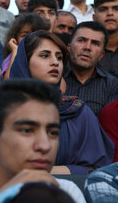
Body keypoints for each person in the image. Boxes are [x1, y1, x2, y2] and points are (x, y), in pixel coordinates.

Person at [9, 30, 114, 174]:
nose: (55, 62)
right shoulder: (4, 110)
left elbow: (97, 168)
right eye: (44, 55)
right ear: (24, 62)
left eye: (59, 58)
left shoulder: (77, 111)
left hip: (69, 193)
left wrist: (50, 171)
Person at [64, 21, 118, 115]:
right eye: (81, 40)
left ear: (102, 55)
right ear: (69, 48)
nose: (87, 47)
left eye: (95, 43)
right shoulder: (54, 78)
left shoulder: (112, 86)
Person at [2, 13, 50, 78]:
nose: (31, 38)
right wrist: (15, 51)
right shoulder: (12, 57)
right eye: (24, 35)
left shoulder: (49, 55)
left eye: (36, 34)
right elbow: (8, 81)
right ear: (15, 38)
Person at [93, 0, 118, 78]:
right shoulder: (86, 50)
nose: (110, 13)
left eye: (116, 9)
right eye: (103, 9)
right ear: (94, 18)